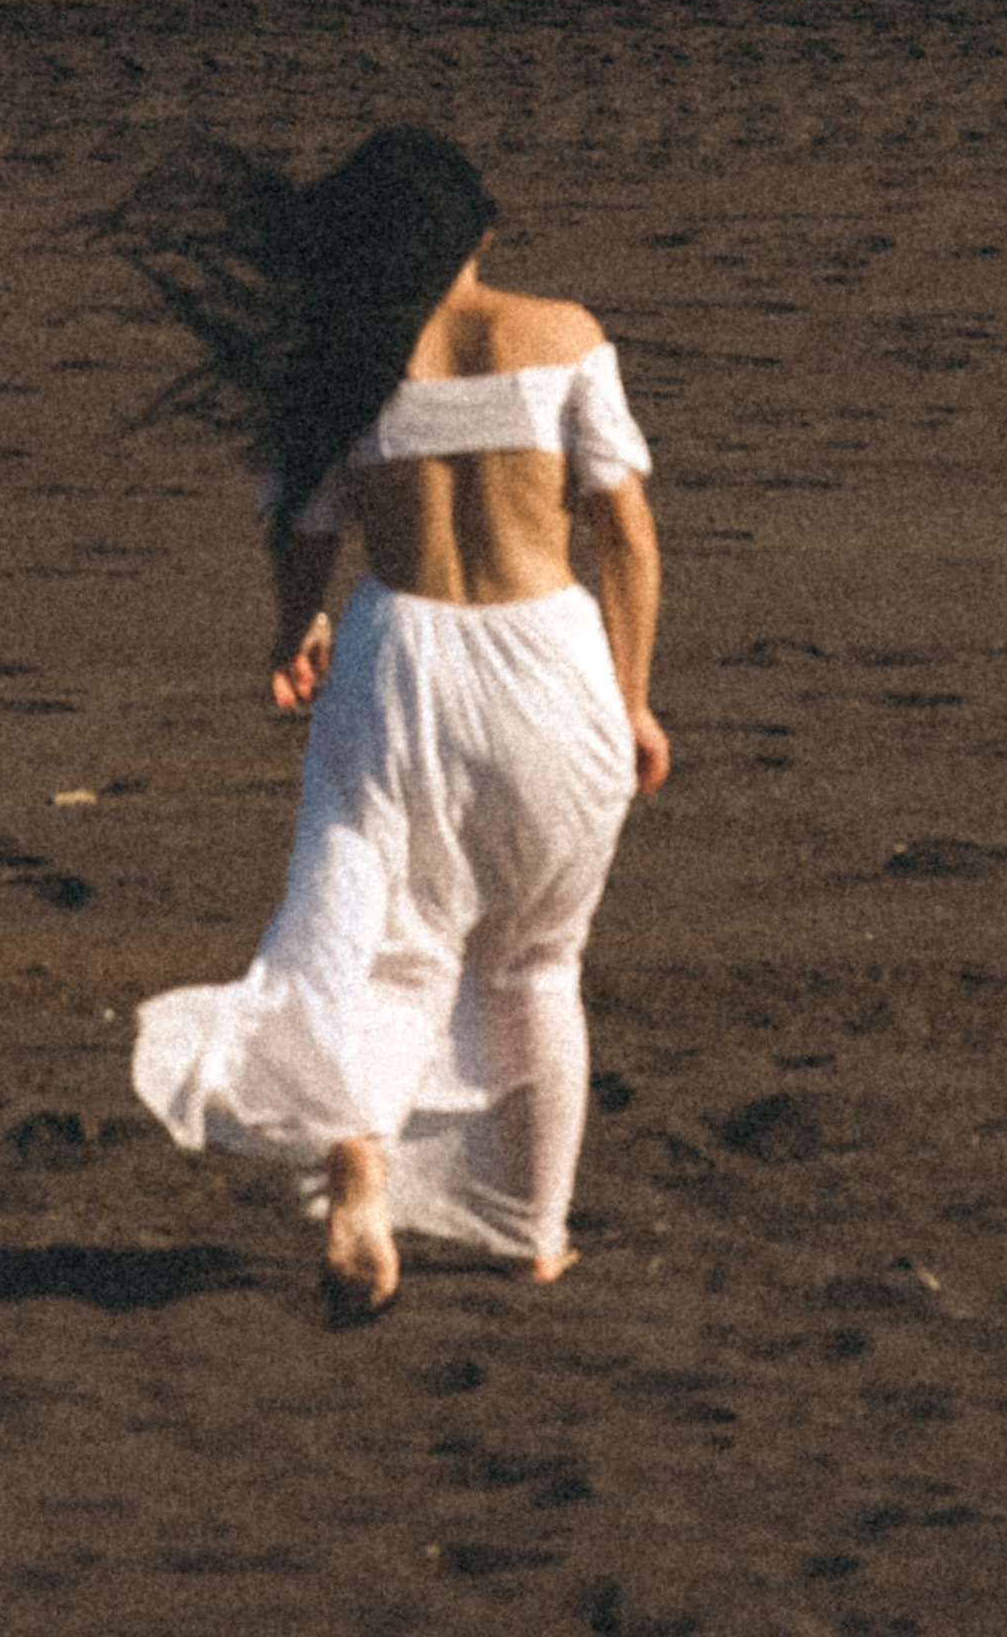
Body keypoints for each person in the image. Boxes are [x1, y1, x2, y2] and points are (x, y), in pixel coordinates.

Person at [121, 123, 667, 1317]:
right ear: (476, 233)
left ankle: (360, 1151)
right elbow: (621, 530)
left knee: (400, 958)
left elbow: (301, 530)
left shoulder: (350, 363)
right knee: (537, 964)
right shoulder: (561, 335)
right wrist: (630, 696)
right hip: (547, 662)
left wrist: (291, 632)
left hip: (399, 658)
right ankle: (536, 1238)